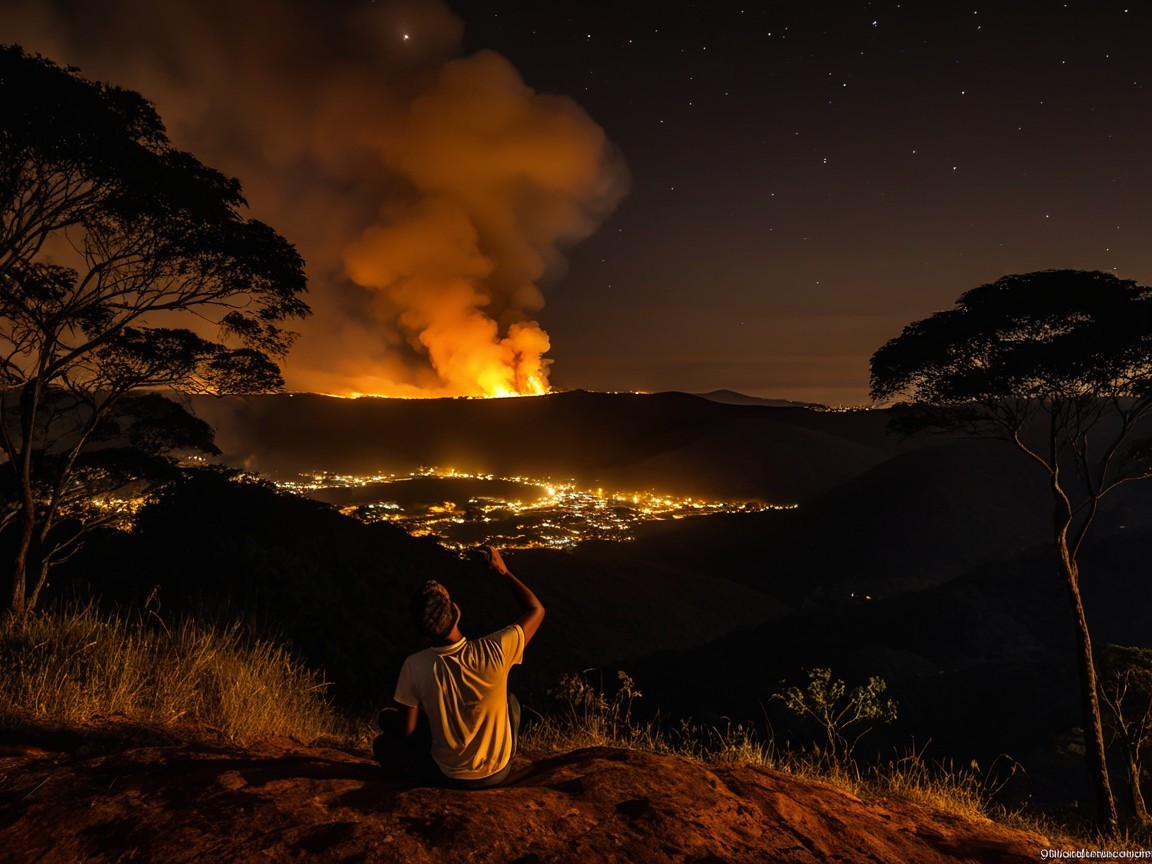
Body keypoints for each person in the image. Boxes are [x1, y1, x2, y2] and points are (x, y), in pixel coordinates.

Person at [374, 546, 545, 788]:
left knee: (382, 743)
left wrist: (390, 721)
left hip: (448, 774)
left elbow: (407, 730)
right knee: (511, 702)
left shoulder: (415, 665)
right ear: (456, 612)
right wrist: (503, 572)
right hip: (499, 770)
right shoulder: (495, 649)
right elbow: (536, 609)